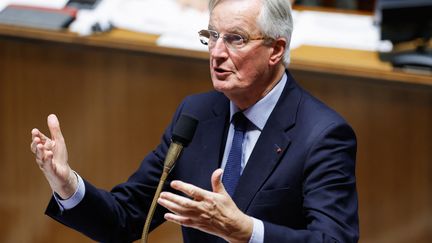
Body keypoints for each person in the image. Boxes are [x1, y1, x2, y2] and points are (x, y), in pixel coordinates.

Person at [30, 0, 359, 242]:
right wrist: (67, 184)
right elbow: (126, 218)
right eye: (212, 36)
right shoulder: (198, 115)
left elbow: (333, 240)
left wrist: (248, 231)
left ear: (276, 50)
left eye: (236, 39)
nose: (216, 52)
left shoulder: (322, 135)